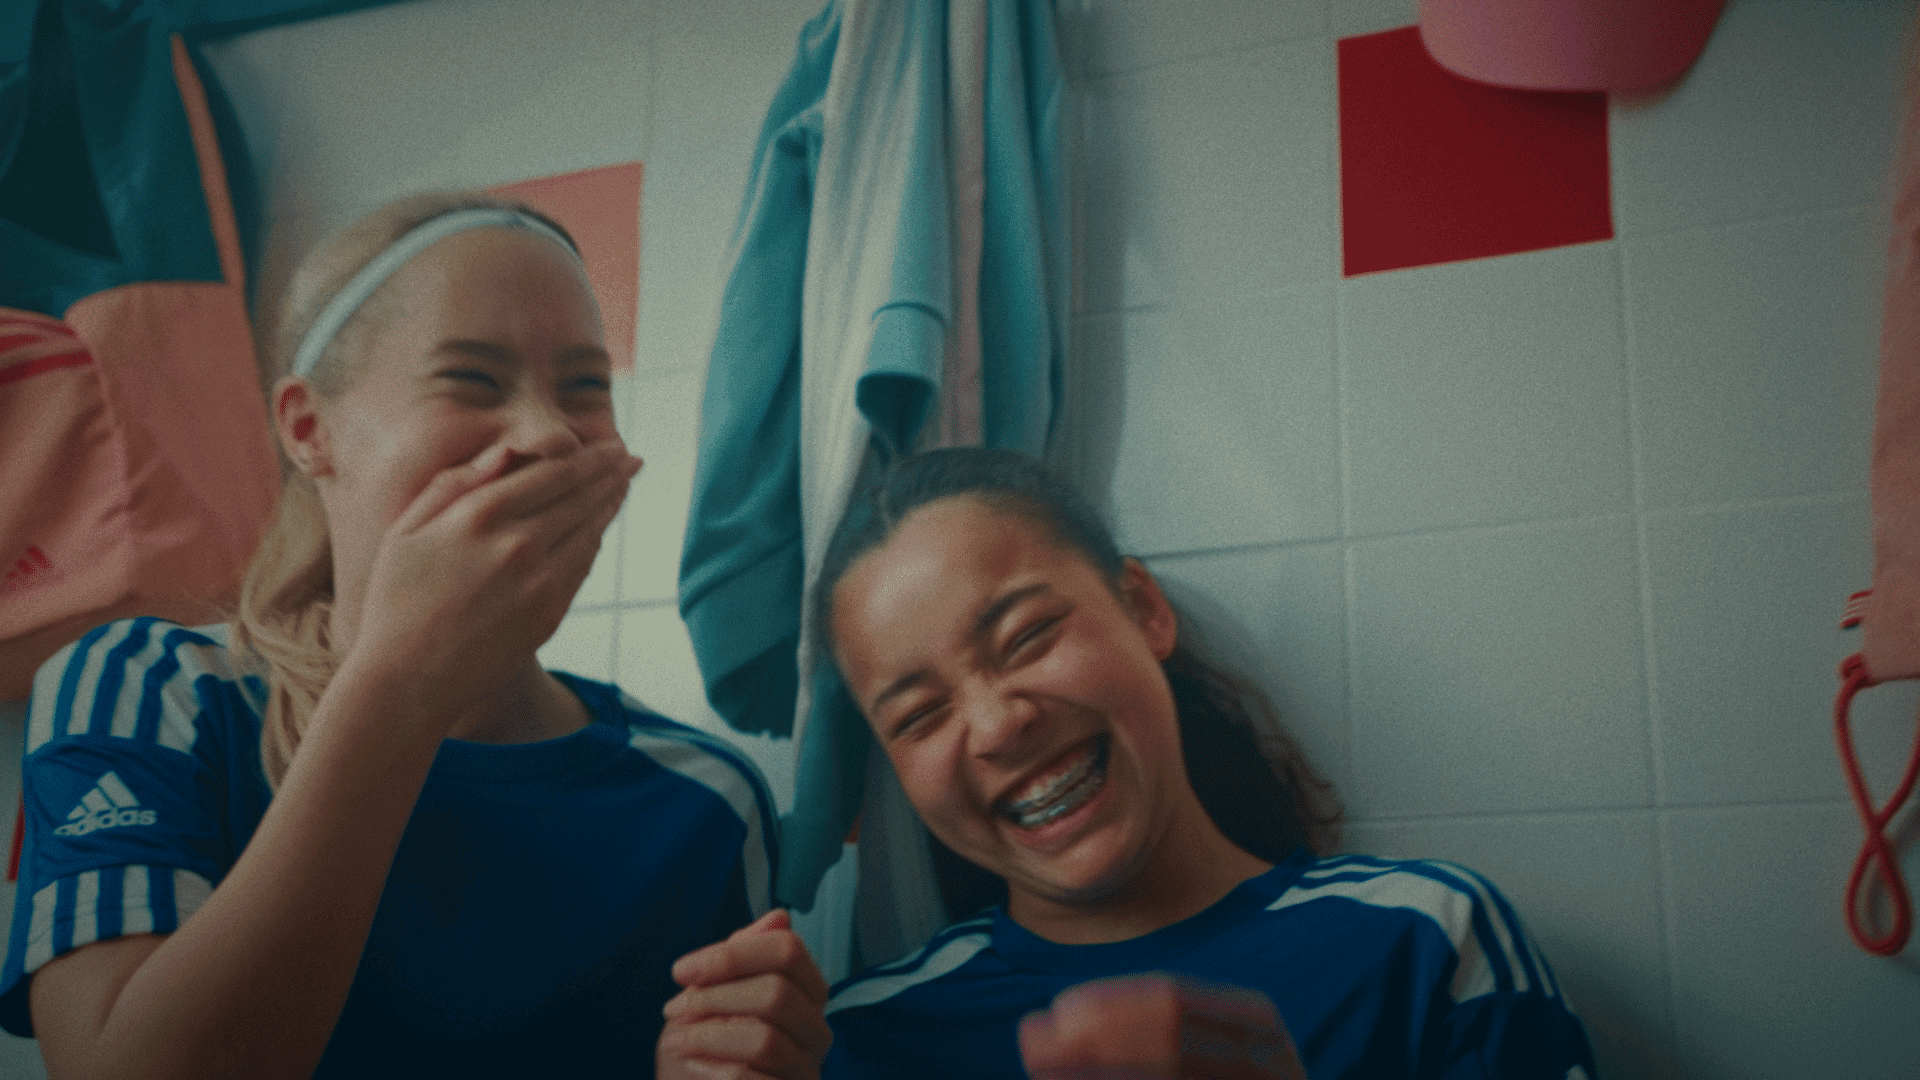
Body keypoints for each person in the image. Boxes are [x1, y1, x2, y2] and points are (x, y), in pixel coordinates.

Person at [0, 193, 830, 1080]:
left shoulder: (707, 800)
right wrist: (403, 678)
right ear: (308, 429)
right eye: (473, 379)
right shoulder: (148, 688)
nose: (548, 434)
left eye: (586, 387)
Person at [811, 447, 1598, 1080]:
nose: (996, 726)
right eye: (918, 715)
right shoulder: (854, 1041)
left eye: (1027, 637)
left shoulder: (1425, 940)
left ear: (1145, 610)